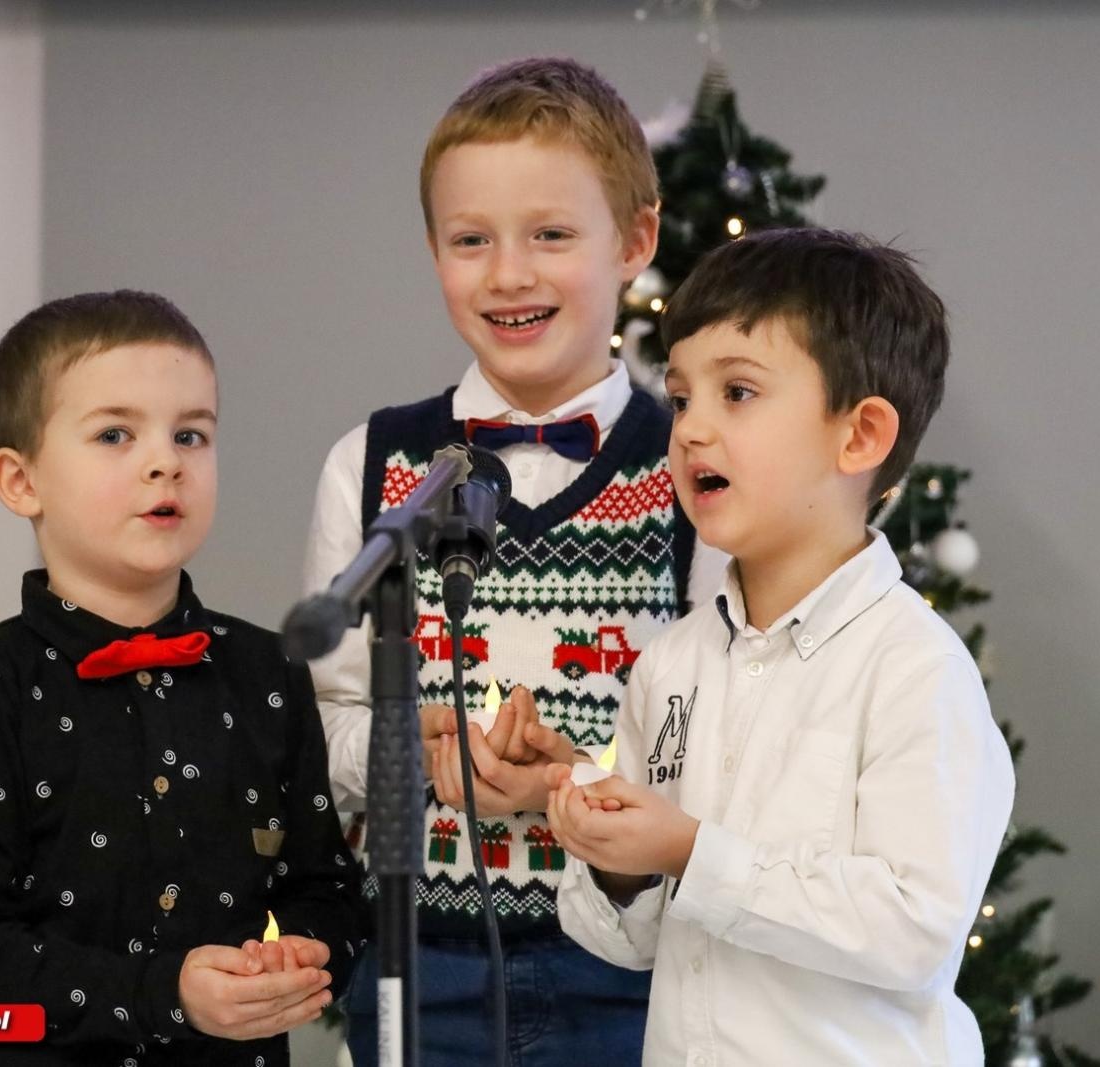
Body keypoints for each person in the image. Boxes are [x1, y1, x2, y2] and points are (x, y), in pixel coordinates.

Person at [303, 57, 725, 1067]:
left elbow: (718, 744)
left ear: (635, 239)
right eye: (470, 240)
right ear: (433, 252)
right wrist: (421, 763)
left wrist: (565, 783)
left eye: (550, 234)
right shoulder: (369, 462)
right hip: (418, 959)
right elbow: (326, 727)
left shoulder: (696, 470)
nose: (508, 274)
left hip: (633, 969)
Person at [547, 228, 1016, 1065]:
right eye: (683, 396)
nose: (689, 429)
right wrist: (614, 855)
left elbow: (912, 927)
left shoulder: (916, 668)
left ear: (860, 435)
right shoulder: (673, 665)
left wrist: (694, 849)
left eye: (738, 392)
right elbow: (635, 940)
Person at [0, 290, 368, 1065]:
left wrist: (295, 952)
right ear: (22, 482)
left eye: (192, 433)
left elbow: (327, 890)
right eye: (115, 434)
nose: (167, 461)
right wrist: (163, 992)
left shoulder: (267, 672)